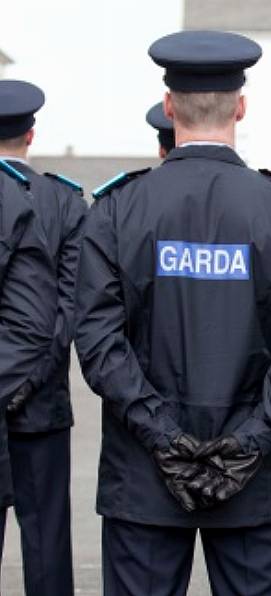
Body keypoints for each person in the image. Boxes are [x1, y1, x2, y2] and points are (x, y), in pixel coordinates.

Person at [74, 30, 271, 596]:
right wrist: (251, 440)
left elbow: (98, 343)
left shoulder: (116, 210)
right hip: (254, 478)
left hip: (144, 477)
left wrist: (162, 436)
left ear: (169, 108)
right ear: (240, 106)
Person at [0, 79, 88, 596]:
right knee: (47, 545)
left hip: (30, 395)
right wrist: (28, 384)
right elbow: (67, 311)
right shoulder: (63, 201)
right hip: (41, 403)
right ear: (31, 134)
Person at [0, 161, 58, 585]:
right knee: (45, 539)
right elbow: (59, 316)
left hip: (38, 402)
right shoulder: (45, 200)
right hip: (40, 399)